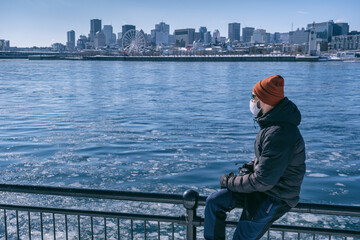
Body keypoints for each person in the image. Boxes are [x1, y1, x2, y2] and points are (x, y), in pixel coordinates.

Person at [204, 75, 306, 240]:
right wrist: (251, 166)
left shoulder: (280, 132)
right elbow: (267, 160)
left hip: (275, 195)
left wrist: (228, 182)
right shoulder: (272, 125)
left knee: (242, 236)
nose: (251, 101)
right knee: (215, 201)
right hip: (262, 188)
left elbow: (263, 180)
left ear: (264, 100)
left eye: (253, 97)